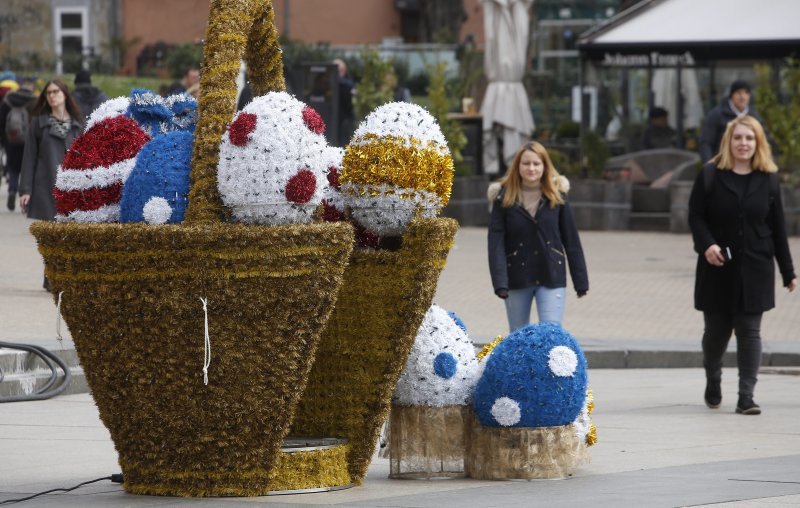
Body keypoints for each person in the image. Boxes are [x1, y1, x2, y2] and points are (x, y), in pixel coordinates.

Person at [688, 115, 796, 415]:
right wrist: (707, 245)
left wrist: (788, 271)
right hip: (717, 267)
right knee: (716, 333)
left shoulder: (769, 178)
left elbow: (777, 227)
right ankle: (713, 378)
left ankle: (746, 396)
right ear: (729, 141)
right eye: (738, 138)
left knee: (750, 333)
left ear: (758, 143)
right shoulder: (710, 174)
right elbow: (695, 216)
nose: (744, 143)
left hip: (756, 267)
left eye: (750, 138)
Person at [488, 141, 589, 333]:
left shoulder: (557, 197)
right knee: (518, 336)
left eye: (536, 163)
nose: (531, 168)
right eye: (526, 163)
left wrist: (581, 281)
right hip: (517, 275)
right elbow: (495, 244)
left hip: (551, 274)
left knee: (551, 335)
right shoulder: (503, 198)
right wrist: (500, 282)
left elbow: (571, 240)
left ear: (545, 166)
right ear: (517, 166)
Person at [19, 79, 83, 221]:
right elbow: (29, 158)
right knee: (48, 238)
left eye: (56, 91)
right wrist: (25, 190)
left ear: (65, 94)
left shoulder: (77, 124)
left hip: (72, 188)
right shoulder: (38, 123)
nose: (52, 96)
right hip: (45, 187)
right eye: (48, 93)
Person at [699, 80, 761, 162]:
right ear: (731, 95)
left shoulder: (755, 116)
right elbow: (706, 142)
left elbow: (762, 143)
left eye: (746, 93)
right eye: (739, 93)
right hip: (722, 165)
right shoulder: (717, 115)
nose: (743, 97)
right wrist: (709, 166)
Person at [0, 77, 36, 211]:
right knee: (28, 169)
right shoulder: (34, 101)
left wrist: (4, 139)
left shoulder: (8, 100)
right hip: (30, 142)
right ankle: (25, 200)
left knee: (13, 168)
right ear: (31, 86)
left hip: (11, 141)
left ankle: (12, 190)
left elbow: (1, 121)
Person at [333, 58, 355, 147]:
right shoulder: (330, 80)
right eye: (338, 71)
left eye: (342, 70)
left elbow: (350, 85)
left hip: (345, 116)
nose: (340, 73)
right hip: (333, 115)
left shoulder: (347, 80)